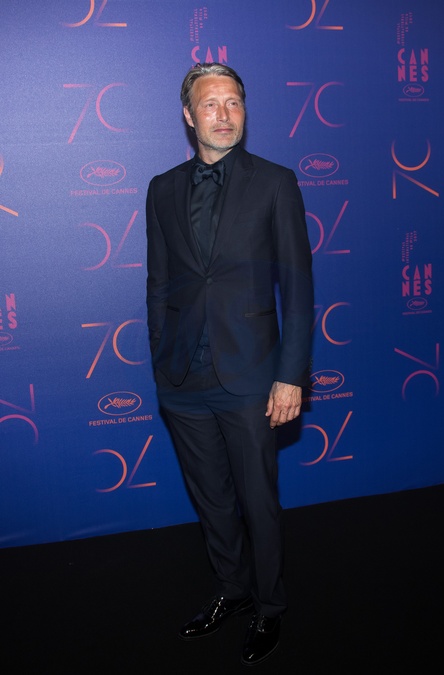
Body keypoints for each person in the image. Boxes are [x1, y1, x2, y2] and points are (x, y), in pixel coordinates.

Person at [146, 62, 313, 666]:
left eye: (234, 102)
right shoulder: (162, 188)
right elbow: (159, 282)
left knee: (257, 501)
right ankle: (232, 588)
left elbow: (298, 288)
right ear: (189, 116)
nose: (224, 114)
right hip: (182, 378)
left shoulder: (275, 183)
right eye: (210, 104)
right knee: (212, 500)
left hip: (251, 376)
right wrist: (161, 357)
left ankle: (270, 606)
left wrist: (290, 374)